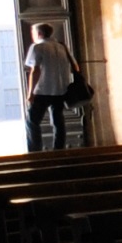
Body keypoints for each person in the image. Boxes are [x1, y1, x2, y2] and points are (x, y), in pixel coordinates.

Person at [23, 20, 79, 151]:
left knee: (32, 121)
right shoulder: (61, 47)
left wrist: (30, 93)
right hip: (61, 90)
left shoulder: (37, 47)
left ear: (39, 33)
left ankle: (35, 151)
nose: (33, 35)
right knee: (58, 121)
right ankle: (59, 150)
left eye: (33, 33)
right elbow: (75, 67)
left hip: (43, 91)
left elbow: (35, 71)